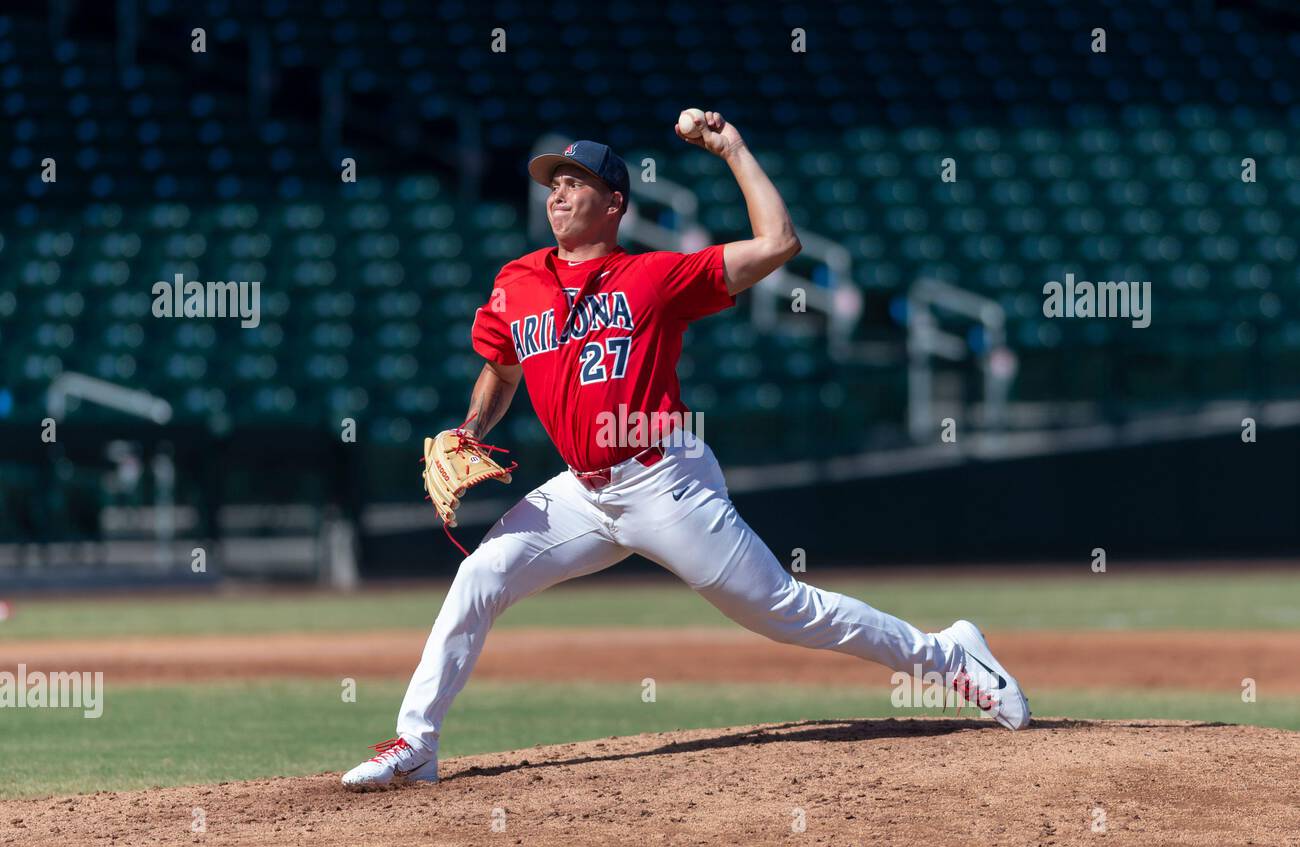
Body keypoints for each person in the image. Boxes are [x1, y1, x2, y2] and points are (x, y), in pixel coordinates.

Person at [342, 112, 1030, 790]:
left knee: (786, 611)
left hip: (663, 480)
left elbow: (779, 242)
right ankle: (417, 744)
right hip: (581, 493)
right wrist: (470, 429)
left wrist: (731, 149)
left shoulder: (654, 277)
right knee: (479, 578)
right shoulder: (517, 281)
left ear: (614, 202)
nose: (555, 193)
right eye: (552, 181)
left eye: (574, 181)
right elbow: (501, 366)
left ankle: (948, 656)